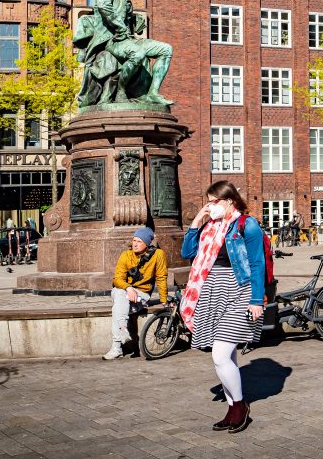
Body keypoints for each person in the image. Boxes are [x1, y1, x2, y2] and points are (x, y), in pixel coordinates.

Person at [181, 180, 265, 434]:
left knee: (220, 354)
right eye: (208, 201)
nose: (210, 206)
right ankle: (232, 409)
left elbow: (257, 263)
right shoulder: (210, 226)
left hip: (240, 290)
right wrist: (196, 221)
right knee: (227, 356)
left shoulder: (246, 225)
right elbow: (188, 252)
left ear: (229, 201)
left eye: (213, 201)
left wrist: (256, 300)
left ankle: (239, 406)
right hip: (212, 289)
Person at [103, 227, 169, 360]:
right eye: (134, 240)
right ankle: (122, 331)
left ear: (147, 243)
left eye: (139, 241)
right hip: (125, 292)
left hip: (142, 295)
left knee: (118, 305)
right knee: (119, 292)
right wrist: (128, 288)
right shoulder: (126, 255)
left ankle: (117, 347)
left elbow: (161, 277)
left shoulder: (158, 255)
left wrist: (164, 300)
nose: (135, 244)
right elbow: (117, 279)